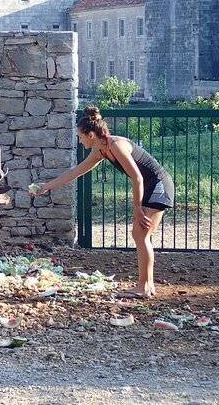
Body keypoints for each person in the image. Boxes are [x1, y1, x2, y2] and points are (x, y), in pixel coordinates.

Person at [31, 105, 174, 299]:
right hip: (147, 185)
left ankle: (145, 286)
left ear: (91, 135)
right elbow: (75, 172)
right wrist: (47, 186)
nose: (79, 141)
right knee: (139, 234)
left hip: (158, 184)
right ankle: (146, 286)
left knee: (141, 233)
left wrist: (137, 209)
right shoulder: (101, 150)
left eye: (80, 136)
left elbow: (138, 178)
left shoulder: (116, 145)